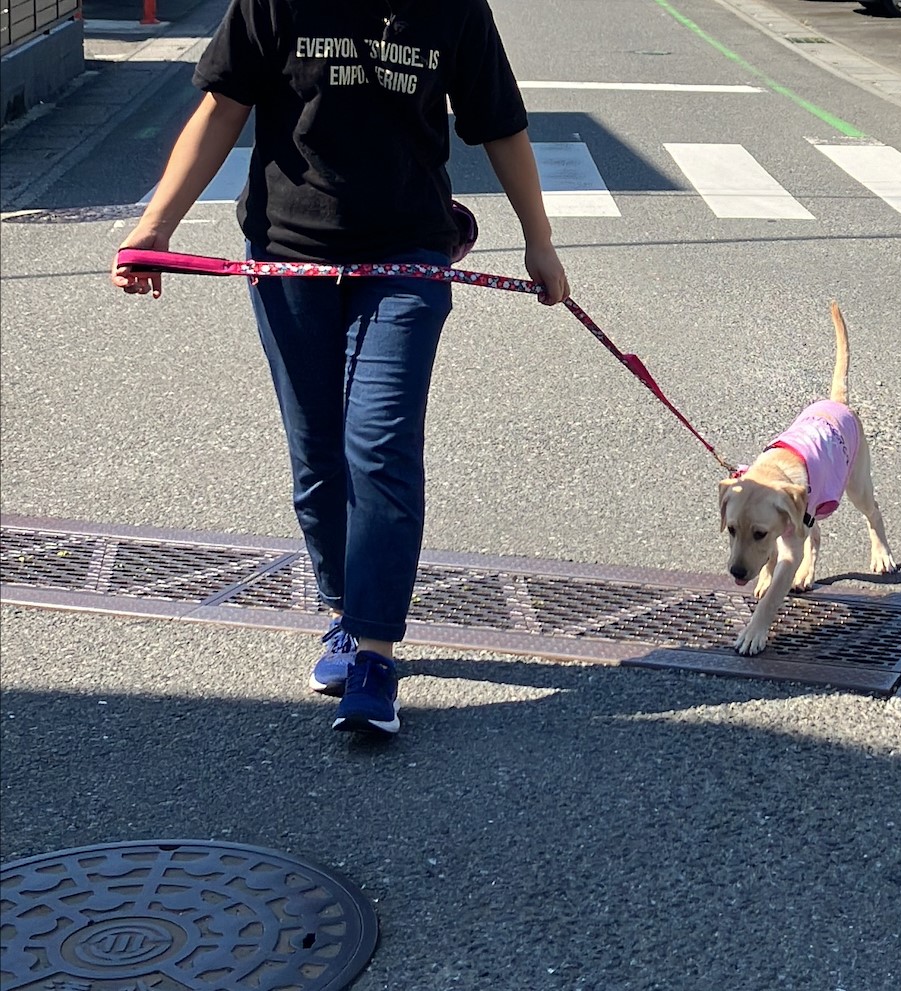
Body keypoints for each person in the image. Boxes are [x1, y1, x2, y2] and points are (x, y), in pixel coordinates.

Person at [113, 0, 568, 735]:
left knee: (380, 444)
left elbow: (501, 124)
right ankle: (342, 612)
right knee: (318, 451)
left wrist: (538, 240)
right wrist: (153, 227)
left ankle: (375, 652)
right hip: (289, 249)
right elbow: (223, 106)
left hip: (408, 253)